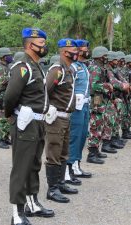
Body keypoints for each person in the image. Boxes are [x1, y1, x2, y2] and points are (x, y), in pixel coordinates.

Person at [4, 28, 54, 225]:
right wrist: (12, 116)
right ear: (29, 45)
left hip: (38, 123)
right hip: (26, 123)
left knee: (34, 165)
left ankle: (33, 203)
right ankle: (17, 213)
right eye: (41, 43)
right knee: (21, 167)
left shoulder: (36, 66)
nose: (44, 46)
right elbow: (10, 97)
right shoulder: (22, 66)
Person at [45, 38, 79, 204]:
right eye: (73, 49)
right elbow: (45, 91)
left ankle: (60, 183)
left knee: (64, 152)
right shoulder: (57, 70)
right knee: (54, 153)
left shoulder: (69, 69)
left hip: (65, 117)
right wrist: (48, 109)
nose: (77, 52)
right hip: (56, 117)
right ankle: (52, 189)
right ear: (65, 51)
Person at [65, 39, 92, 185]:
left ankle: (76, 165)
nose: (87, 50)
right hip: (76, 107)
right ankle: (68, 168)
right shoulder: (73, 67)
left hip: (85, 106)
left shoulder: (84, 66)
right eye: (84, 48)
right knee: (73, 137)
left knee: (82, 136)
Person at [87, 46, 112, 164]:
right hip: (96, 100)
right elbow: (94, 85)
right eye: (105, 56)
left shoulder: (100, 68)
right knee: (95, 126)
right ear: (100, 57)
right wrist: (107, 86)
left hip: (100, 99)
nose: (107, 58)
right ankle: (92, 154)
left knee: (100, 125)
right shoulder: (96, 68)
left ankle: (96, 150)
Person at [0, 47, 13, 149]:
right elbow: (3, 81)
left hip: (7, 94)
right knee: (3, 118)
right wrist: (15, 78)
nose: (10, 57)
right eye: (8, 55)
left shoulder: (7, 66)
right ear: (3, 57)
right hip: (2, 94)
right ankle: (0, 139)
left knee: (8, 117)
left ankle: (6, 137)